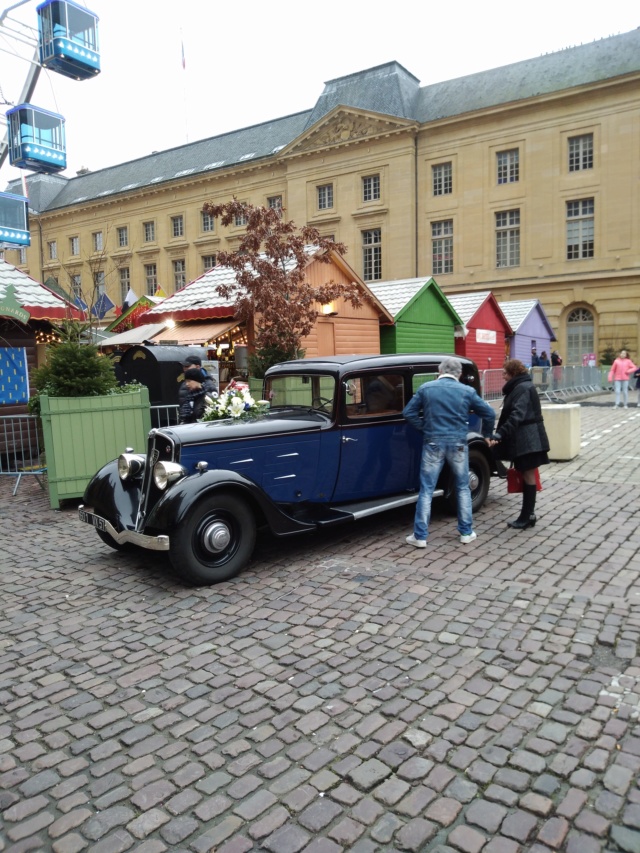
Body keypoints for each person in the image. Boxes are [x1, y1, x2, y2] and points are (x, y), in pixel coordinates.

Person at [402, 356, 496, 549]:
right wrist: (487, 434)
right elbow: (489, 413)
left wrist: (425, 428)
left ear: (440, 371)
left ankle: (420, 536)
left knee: (427, 489)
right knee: (462, 487)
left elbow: (409, 413)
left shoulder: (426, 388)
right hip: (458, 444)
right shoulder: (467, 391)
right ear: (460, 374)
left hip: (433, 442)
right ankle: (466, 532)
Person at [488, 359, 550, 530]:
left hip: (528, 440)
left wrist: (500, 434)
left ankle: (527, 515)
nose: (502, 375)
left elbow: (517, 415)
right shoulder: (521, 386)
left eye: (505, 372)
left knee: (529, 475)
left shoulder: (522, 388)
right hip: (526, 439)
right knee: (527, 474)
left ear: (513, 373)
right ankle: (527, 514)